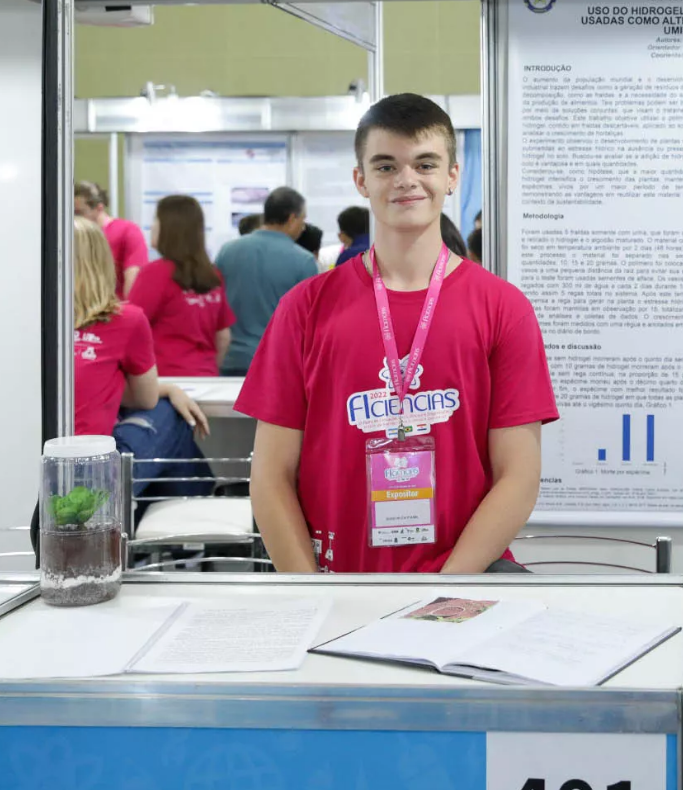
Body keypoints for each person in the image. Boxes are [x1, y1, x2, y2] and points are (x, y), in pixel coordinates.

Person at [235, 93, 558, 575]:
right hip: (336, 582)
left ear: (452, 176)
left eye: (425, 164)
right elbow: (270, 475)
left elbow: (519, 475)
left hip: (464, 580)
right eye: (386, 166)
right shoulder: (305, 307)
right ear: (361, 180)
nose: (406, 180)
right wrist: (310, 590)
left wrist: (440, 593)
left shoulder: (503, 308)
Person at [71, 217, 212, 522]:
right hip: (95, 475)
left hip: (44, 467)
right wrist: (170, 389)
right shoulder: (126, 320)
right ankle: (201, 507)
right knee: (171, 417)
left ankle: (164, 521)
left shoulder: (36, 327)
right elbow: (146, 399)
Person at [215, 187, 319, 376]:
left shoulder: (227, 251)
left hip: (230, 360)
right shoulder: (304, 261)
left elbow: (215, 306)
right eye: (302, 220)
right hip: (276, 365)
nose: (303, 228)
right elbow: (310, 322)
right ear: (292, 219)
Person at [129, 195, 235, 377]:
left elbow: (130, 328)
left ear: (169, 227)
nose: (152, 227)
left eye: (156, 220)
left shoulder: (154, 273)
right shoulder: (212, 275)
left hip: (164, 379)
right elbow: (223, 336)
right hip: (206, 376)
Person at [75, 180, 149, 299]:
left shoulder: (128, 231)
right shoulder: (71, 236)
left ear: (99, 208)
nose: (75, 219)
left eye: (79, 213)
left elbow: (133, 287)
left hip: (113, 305)